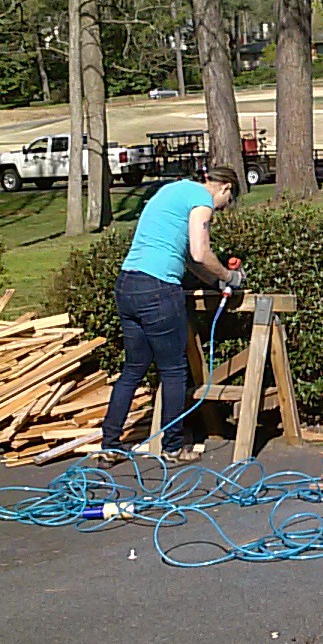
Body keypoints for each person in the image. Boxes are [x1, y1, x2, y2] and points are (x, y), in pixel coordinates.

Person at [101, 165, 243, 464]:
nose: (219, 210)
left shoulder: (173, 190)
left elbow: (187, 258)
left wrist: (215, 282)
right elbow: (200, 253)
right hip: (158, 289)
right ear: (225, 189)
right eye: (225, 204)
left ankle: (110, 446)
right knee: (174, 370)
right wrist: (231, 279)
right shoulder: (202, 201)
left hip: (128, 284)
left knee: (133, 369)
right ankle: (173, 447)